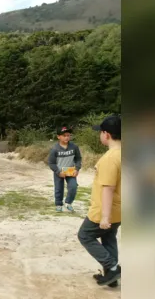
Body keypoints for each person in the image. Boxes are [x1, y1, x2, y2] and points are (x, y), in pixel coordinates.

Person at [77, 116, 122, 287]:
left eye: (100, 132)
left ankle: (112, 267)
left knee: (85, 235)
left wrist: (105, 216)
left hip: (105, 209)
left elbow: (108, 188)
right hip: (120, 209)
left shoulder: (110, 158)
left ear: (107, 134)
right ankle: (111, 277)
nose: (100, 136)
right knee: (109, 238)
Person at [48, 126, 82, 212]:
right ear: (58, 136)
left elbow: (78, 159)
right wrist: (58, 172)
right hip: (59, 172)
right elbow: (51, 163)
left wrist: (77, 169)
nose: (67, 137)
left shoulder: (74, 147)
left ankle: (68, 203)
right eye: (64, 135)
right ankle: (59, 204)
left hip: (70, 170)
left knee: (73, 187)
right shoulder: (54, 149)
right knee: (59, 188)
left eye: (68, 135)